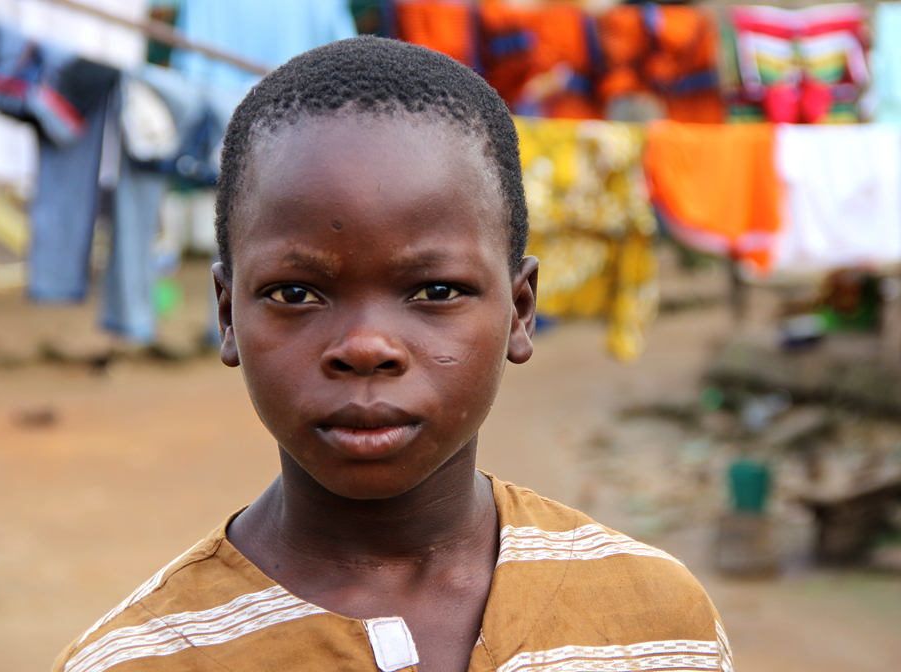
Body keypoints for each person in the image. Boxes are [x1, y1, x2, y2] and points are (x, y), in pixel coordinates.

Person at [52, 36, 732, 672]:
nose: (365, 347)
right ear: (228, 316)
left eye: (436, 290)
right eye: (296, 293)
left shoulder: (656, 622)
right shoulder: (143, 658)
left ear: (520, 310)